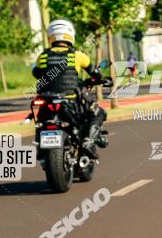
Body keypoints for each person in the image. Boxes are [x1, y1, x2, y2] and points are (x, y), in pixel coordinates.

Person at [32, 19, 107, 157]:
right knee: (98, 112)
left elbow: (36, 73)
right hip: (71, 101)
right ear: (70, 35)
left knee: (40, 122)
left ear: (51, 36)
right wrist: (101, 79)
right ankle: (88, 141)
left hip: (47, 102)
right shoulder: (77, 55)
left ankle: (40, 146)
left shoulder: (42, 56)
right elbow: (94, 73)